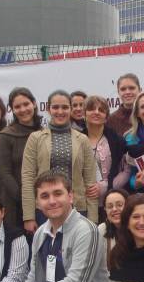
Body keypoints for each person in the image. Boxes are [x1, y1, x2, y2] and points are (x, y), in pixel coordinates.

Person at [21, 90, 98, 229]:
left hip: (77, 209)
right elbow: (27, 178)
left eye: (65, 107)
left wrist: (93, 218)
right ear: (48, 109)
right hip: (44, 210)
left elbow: (90, 182)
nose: (60, 111)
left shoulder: (82, 139)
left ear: (71, 109)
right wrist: (29, 217)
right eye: (55, 107)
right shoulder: (35, 138)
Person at [0, 87, 43, 229]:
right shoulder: (6, 135)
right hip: (14, 202)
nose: (23, 109)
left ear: (34, 104)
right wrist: (25, 198)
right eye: (17, 107)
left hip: (42, 201)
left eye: (26, 104)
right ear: (12, 110)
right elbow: (5, 172)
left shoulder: (43, 133)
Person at [82, 95, 126, 218]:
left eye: (101, 110)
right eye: (91, 109)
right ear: (84, 114)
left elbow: (126, 170)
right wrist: (85, 189)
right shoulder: (76, 140)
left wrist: (106, 186)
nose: (96, 112)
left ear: (106, 117)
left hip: (112, 204)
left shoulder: (117, 141)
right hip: (83, 203)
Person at [98, 189, 129, 259]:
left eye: (119, 205)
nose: (114, 209)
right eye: (110, 206)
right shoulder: (102, 229)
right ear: (105, 209)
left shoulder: (136, 228)